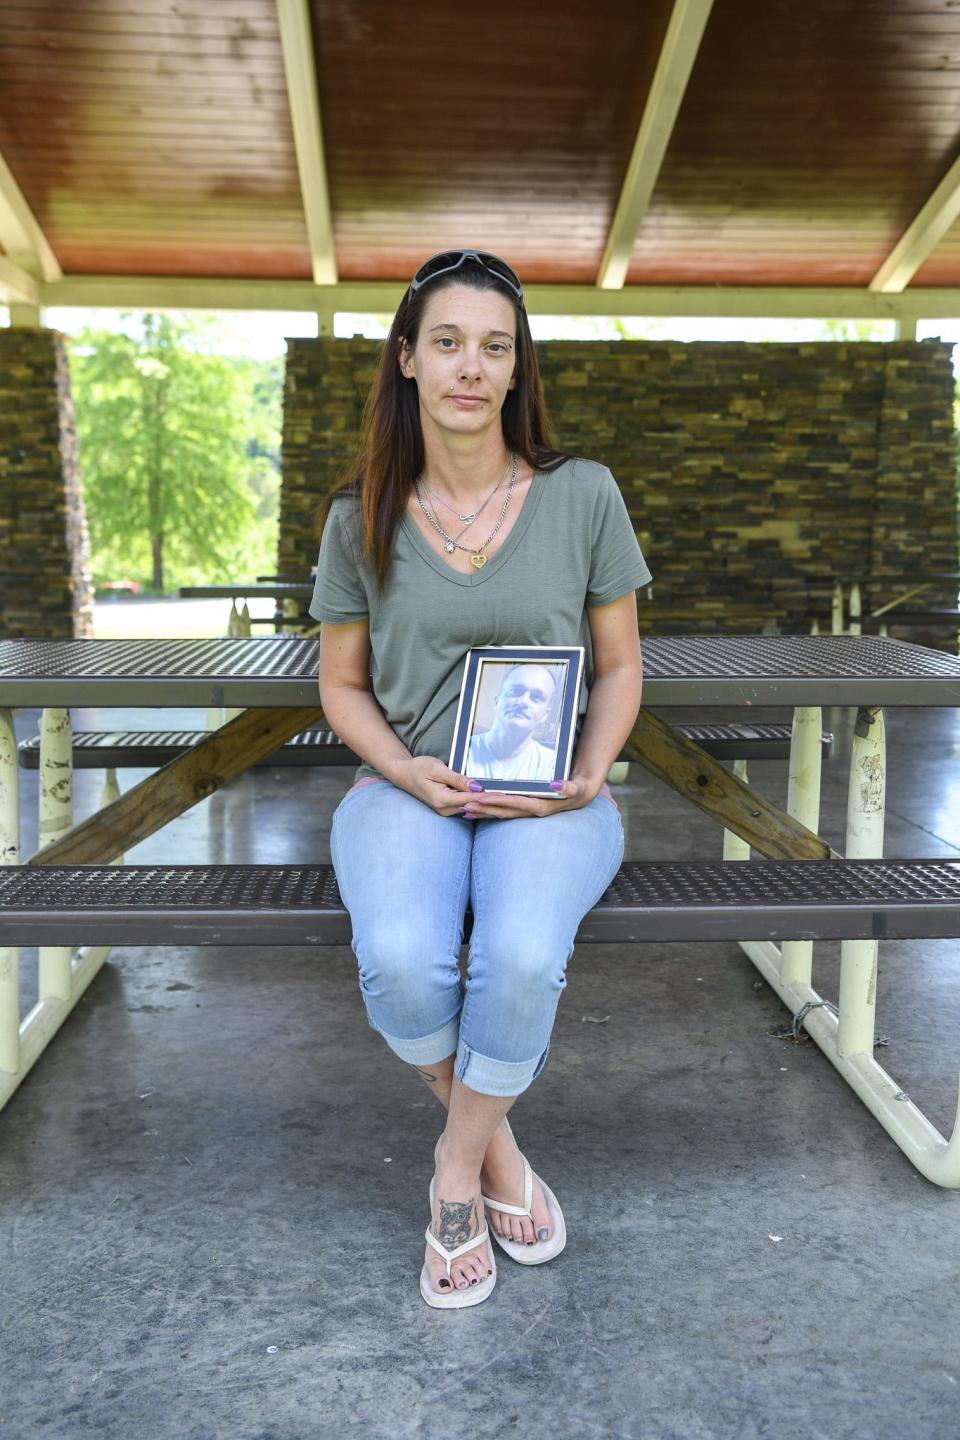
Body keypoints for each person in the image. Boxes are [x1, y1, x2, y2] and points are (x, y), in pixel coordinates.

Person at [311, 248, 651, 1309]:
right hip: (406, 790)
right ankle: (502, 1155)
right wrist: (406, 771)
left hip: (553, 800)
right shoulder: (358, 513)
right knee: (406, 960)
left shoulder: (583, 494)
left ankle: (455, 1176)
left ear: (517, 370)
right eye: (448, 342)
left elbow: (623, 664)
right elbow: (342, 687)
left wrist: (591, 772)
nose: (471, 366)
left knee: (515, 953)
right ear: (407, 360)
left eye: (494, 347)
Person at [467, 662, 560, 782]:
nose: (523, 702)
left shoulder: (552, 763)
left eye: (536, 697)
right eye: (515, 691)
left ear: (545, 715)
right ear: (497, 701)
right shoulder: (464, 750)